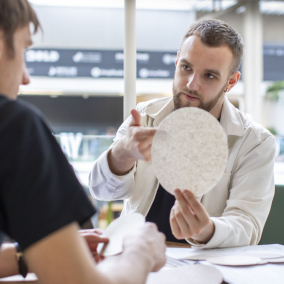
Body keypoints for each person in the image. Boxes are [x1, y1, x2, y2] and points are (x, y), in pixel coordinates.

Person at [0, 1, 166, 282]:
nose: (26, 77)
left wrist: (29, 256)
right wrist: (139, 253)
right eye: (24, 50)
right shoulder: (14, 125)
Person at [89, 19, 276, 248]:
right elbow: (101, 191)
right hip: (135, 256)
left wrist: (207, 231)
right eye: (186, 67)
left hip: (204, 267)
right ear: (177, 61)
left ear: (231, 81)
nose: (192, 84)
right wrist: (121, 155)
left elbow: (247, 225)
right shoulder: (144, 117)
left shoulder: (255, 143)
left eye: (209, 76)